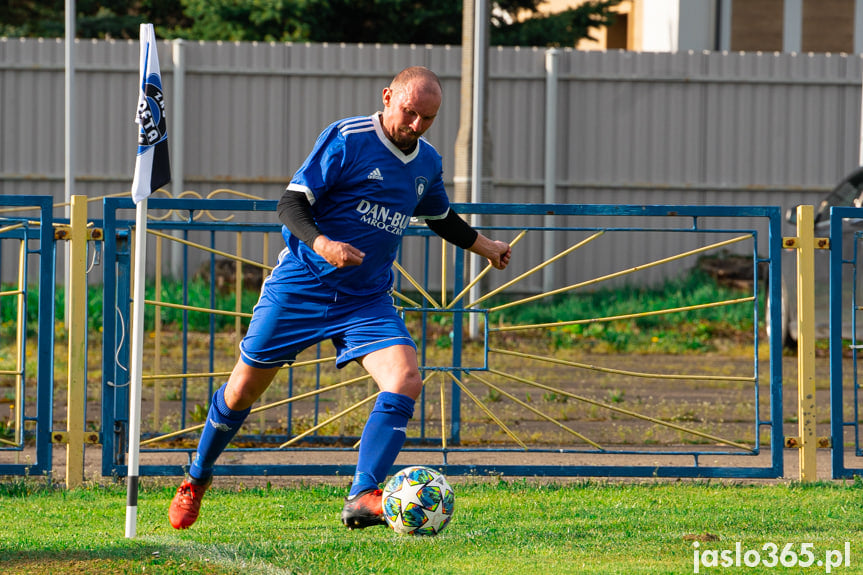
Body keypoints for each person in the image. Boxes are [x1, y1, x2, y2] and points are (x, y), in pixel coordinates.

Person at [168, 65, 512, 530]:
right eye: (410, 113)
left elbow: (440, 216)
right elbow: (291, 204)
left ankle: (362, 494)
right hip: (301, 288)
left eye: (427, 118)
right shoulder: (347, 138)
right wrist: (323, 244)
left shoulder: (427, 161)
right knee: (240, 392)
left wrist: (485, 246)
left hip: (366, 300)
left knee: (406, 378)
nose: (416, 126)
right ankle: (197, 477)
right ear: (388, 96)